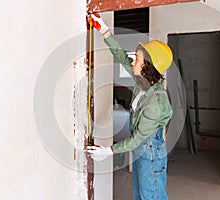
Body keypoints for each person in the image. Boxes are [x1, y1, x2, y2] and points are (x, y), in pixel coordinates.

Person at [86, 13, 173, 200]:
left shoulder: (155, 103)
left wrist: (108, 151)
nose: (133, 62)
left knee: (152, 197)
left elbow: (137, 138)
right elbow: (122, 56)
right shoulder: (143, 82)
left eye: (138, 59)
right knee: (140, 196)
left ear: (148, 67)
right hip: (141, 151)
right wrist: (105, 32)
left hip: (150, 155)